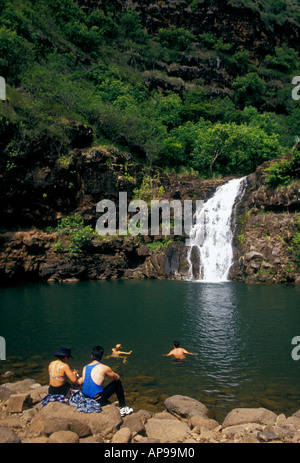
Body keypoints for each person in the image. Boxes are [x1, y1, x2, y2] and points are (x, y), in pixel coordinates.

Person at [78, 345, 133, 417]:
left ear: (91, 356)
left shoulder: (85, 367)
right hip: (97, 399)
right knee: (117, 383)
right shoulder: (104, 368)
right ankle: (123, 407)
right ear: (102, 356)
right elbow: (116, 377)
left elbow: (82, 381)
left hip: (85, 398)